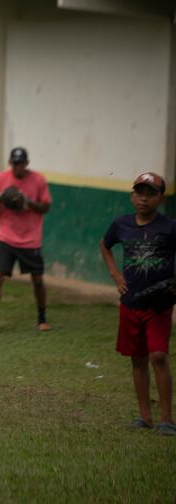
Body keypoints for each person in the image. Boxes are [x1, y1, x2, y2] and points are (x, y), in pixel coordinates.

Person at [100, 172, 176, 436]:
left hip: (159, 304)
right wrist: (116, 275)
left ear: (160, 198)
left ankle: (167, 419)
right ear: (132, 196)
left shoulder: (170, 227)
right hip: (131, 302)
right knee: (138, 359)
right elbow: (105, 245)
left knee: (159, 356)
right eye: (139, 193)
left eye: (150, 193)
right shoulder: (121, 224)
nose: (144, 198)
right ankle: (145, 416)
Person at [0, 147, 52, 333]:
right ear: (10, 163)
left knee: (37, 280)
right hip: (6, 236)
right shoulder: (1, 179)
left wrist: (26, 201)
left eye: (20, 164)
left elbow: (45, 207)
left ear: (27, 163)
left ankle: (42, 319)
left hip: (30, 239)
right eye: (14, 163)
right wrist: (1, 197)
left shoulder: (38, 180)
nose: (17, 167)